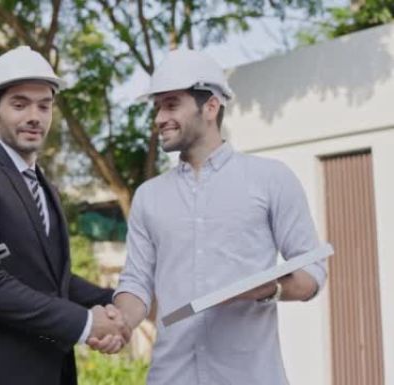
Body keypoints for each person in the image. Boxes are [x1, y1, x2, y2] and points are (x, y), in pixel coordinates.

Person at [89, 49, 328, 385]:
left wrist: (268, 288)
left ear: (211, 106)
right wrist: (122, 322)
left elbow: (313, 271)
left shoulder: (271, 179)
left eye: (171, 104)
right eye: (158, 106)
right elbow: (136, 283)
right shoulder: (149, 197)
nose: (159, 118)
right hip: (170, 376)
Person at [0, 46, 130, 385]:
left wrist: (115, 303)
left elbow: (55, 280)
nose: (34, 117)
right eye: (20, 104)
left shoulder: (44, 186)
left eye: (44, 105)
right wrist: (85, 323)